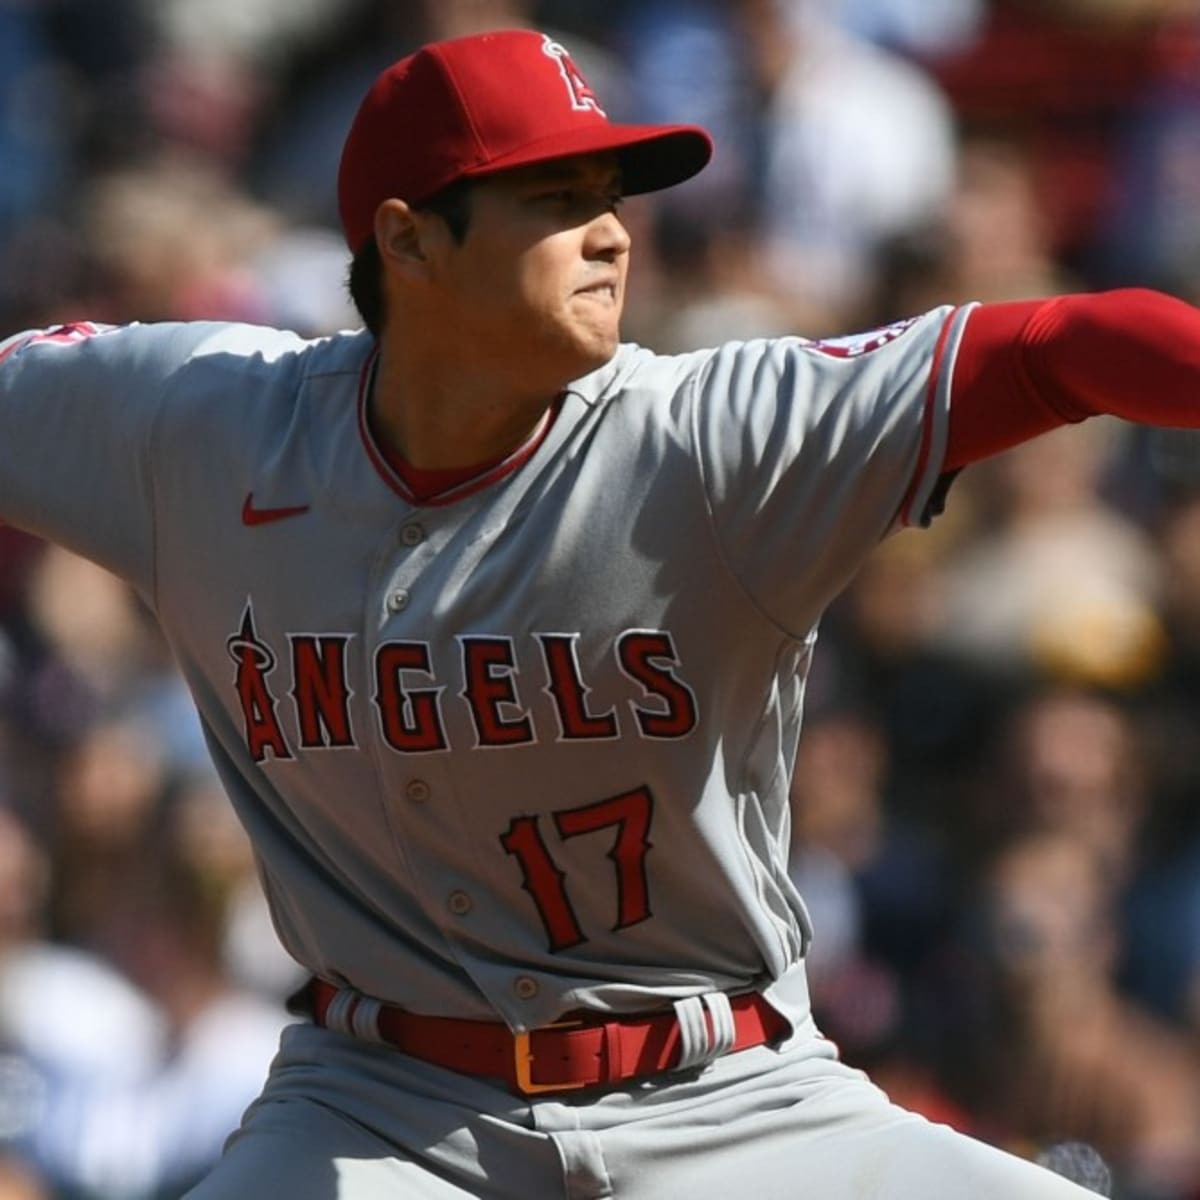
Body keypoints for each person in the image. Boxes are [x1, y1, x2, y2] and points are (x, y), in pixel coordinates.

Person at [4, 26, 1200, 1199]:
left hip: (732, 1097)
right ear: (409, 241)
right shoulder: (201, 425)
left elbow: (1061, 345)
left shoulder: (712, 441)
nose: (615, 233)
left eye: (612, 197)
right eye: (556, 200)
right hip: (381, 1111)